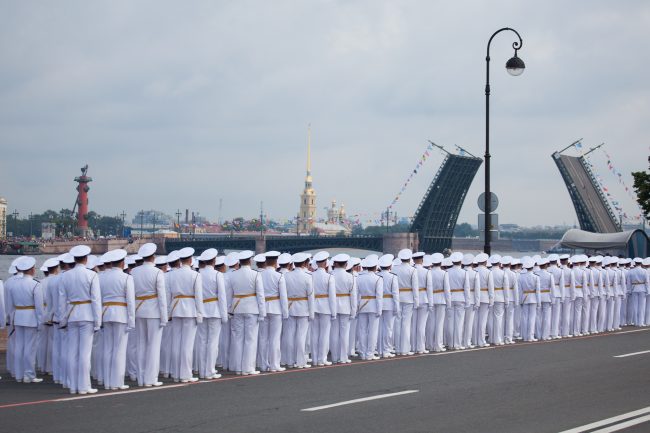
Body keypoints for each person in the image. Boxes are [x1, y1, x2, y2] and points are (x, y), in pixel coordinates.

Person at [59, 245, 102, 394]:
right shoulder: (92, 275)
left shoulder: (65, 275)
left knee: (72, 352)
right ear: (86, 258)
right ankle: (84, 386)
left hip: (71, 315)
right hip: (87, 315)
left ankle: (73, 385)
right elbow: (96, 300)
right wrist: (98, 321)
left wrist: (62, 320)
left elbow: (61, 300)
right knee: (84, 353)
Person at [131, 243, 167, 387]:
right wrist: (164, 317)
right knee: (153, 346)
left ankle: (141, 378)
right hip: (153, 311)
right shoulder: (157, 272)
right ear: (153, 257)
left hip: (139, 310)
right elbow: (162, 297)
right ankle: (151, 378)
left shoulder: (133, 272)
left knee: (141, 345)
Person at [99, 249, 135, 390]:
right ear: (122, 263)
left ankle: (108, 381)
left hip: (106, 313)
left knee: (108, 348)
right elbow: (130, 301)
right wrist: (131, 320)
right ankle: (117, 382)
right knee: (119, 350)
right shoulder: (127, 278)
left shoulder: (101, 277)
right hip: (120, 314)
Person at [167, 247, 204, 382]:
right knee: (187, 345)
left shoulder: (171, 274)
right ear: (190, 260)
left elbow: (167, 295)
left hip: (176, 309)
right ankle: (186, 374)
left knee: (176, 343)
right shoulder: (195, 275)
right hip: (189, 309)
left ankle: (176, 374)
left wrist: (168, 312)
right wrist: (199, 313)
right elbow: (198, 296)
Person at [227, 250, 265, 375]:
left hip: (237, 308)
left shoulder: (233, 275)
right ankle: (248, 367)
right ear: (250, 261)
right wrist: (262, 312)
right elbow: (260, 295)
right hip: (252, 308)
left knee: (238, 339)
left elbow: (229, 294)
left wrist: (229, 310)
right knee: (250, 339)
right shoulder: (255, 274)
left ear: (239, 262)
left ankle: (238, 367)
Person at [6, 256, 44, 383]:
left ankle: (18, 374)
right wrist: (40, 322)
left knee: (19, 346)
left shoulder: (13, 284)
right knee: (30, 348)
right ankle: (29, 375)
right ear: (32, 270)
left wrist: (11, 318)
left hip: (18, 317)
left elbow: (10, 305)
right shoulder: (35, 285)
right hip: (31, 317)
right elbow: (39, 307)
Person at [196, 249, 228, 379]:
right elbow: (222, 296)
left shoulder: (198, 274)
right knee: (213, 342)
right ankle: (210, 370)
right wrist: (224, 314)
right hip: (214, 310)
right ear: (214, 261)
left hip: (201, 310)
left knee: (202, 341)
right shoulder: (217, 275)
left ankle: (203, 370)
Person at [257, 251, 288, 372]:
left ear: (266, 262)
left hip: (263, 308)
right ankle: (274, 364)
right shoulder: (279, 276)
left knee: (263, 338)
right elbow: (283, 296)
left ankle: (263, 364)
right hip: (275, 308)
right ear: (276, 262)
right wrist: (285, 312)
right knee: (274, 338)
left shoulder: (259, 275)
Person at [284, 253, 314, 368]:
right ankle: (301, 361)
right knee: (301, 336)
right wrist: (311, 313)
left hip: (290, 307)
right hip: (303, 308)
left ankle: (290, 361)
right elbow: (310, 296)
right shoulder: (307, 276)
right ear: (305, 263)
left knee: (290, 335)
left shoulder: (287, 276)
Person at [330, 253, 356, 364]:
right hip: (346, 305)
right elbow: (353, 295)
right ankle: (343, 357)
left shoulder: (330, 274)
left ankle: (334, 357)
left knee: (334, 332)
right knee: (344, 333)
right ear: (346, 264)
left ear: (335, 264)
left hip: (333, 305)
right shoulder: (350, 277)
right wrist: (353, 310)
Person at [310, 251, 336, 366]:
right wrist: (333, 312)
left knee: (314, 333)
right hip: (325, 306)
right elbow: (332, 296)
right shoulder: (329, 277)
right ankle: (322, 358)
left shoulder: (311, 276)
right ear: (326, 263)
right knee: (324, 334)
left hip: (313, 305)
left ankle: (315, 359)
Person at [356, 256, 382, 360]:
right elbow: (379, 296)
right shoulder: (378, 278)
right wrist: (379, 309)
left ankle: (362, 353)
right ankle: (370, 353)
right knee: (373, 330)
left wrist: (357, 306)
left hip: (362, 305)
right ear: (375, 267)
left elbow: (357, 294)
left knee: (362, 330)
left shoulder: (359, 277)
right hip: (373, 305)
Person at [393, 249, 418, 356]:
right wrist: (416, 301)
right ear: (410, 258)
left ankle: (397, 348)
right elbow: (415, 287)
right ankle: (405, 349)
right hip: (408, 297)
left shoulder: (394, 269)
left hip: (397, 297)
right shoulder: (412, 270)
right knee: (406, 324)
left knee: (397, 323)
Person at [428, 253, 450, 352]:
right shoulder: (444, 273)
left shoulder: (428, 272)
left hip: (431, 298)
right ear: (441, 263)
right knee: (439, 323)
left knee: (431, 323)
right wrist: (448, 302)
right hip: (441, 299)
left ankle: (430, 344)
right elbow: (447, 289)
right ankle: (438, 345)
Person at [378, 254, 399, 358]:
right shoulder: (392, 277)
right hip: (389, 303)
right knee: (388, 328)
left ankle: (379, 349)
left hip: (378, 303)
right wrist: (397, 307)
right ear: (390, 266)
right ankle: (387, 349)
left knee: (379, 328)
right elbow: (395, 293)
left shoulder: (377, 275)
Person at [447, 252, 470, 350]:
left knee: (450, 322)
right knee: (459, 323)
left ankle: (451, 343)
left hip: (450, 298)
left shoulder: (447, 272)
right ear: (461, 261)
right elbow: (467, 288)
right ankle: (457, 343)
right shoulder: (464, 272)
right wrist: (468, 301)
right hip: (460, 297)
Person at [412, 252, 433, 354]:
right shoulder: (426, 271)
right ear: (422, 260)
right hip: (424, 298)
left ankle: (413, 346)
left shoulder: (411, 269)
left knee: (413, 325)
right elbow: (429, 288)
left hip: (412, 298)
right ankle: (421, 347)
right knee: (421, 325)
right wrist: (431, 303)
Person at [489, 255, 509, 346]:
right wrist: (507, 300)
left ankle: (491, 338)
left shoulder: (489, 272)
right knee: (498, 319)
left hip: (490, 296)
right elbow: (506, 288)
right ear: (500, 263)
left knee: (490, 318)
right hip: (500, 296)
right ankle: (497, 339)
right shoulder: (503, 273)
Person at [519, 259, 541, 342]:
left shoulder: (521, 277)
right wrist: (539, 302)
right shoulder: (536, 277)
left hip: (524, 297)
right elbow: (538, 291)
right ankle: (530, 336)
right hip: (533, 298)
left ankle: (525, 336)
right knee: (532, 317)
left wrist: (520, 300)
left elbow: (520, 290)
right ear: (532, 267)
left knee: (525, 317)